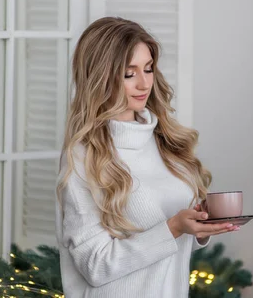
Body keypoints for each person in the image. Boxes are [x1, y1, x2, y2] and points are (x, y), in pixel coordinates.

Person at [55, 17, 239, 297]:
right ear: (101, 76)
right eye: (129, 74)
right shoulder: (83, 156)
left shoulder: (165, 142)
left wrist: (199, 229)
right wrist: (174, 228)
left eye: (149, 69)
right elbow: (94, 266)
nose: (144, 83)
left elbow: (168, 250)